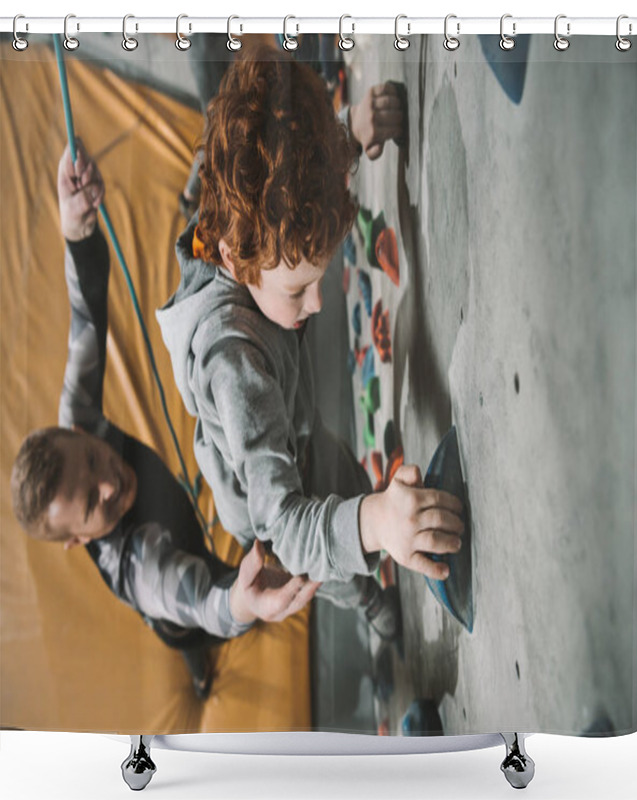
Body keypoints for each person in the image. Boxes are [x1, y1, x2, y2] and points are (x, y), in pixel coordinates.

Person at [156, 49, 465, 635]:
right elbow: (289, 531)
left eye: (320, 277)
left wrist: (348, 134)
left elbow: (293, 168)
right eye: (298, 289)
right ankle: (370, 606)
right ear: (235, 262)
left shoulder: (252, 227)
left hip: (298, 427)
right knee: (335, 572)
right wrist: (374, 526)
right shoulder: (233, 361)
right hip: (266, 506)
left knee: (345, 477)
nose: (319, 303)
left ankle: (367, 531)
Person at [10, 142, 320, 698]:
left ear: (78, 434)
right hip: (181, 603)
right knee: (196, 627)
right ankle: (198, 671)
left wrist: (76, 230)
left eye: (90, 460)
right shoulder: (139, 566)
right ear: (79, 541)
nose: (109, 481)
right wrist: (242, 605)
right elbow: (203, 600)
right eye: (91, 504)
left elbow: (86, 318)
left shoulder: (76, 421)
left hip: (170, 513)